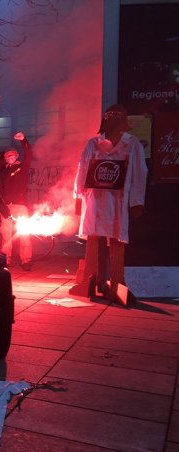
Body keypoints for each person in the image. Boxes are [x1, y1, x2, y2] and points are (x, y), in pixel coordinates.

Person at [69, 104, 148, 304]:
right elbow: (82, 169)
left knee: (116, 240)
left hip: (118, 202)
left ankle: (117, 284)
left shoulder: (132, 144)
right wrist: (78, 198)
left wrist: (136, 201)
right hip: (95, 200)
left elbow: (140, 173)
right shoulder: (93, 144)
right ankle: (92, 280)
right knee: (94, 239)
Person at [0, 131, 34, 270]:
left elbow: (29, 155)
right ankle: (6, 259)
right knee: (5, 235)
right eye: (7, 156)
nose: (9, 157)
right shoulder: (2, 171)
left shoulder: (22, 167)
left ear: (17, 156)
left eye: (12, 155)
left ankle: (26, 260)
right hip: (6, 207)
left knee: (24, 234)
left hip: (20, 205)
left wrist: (24, 141)